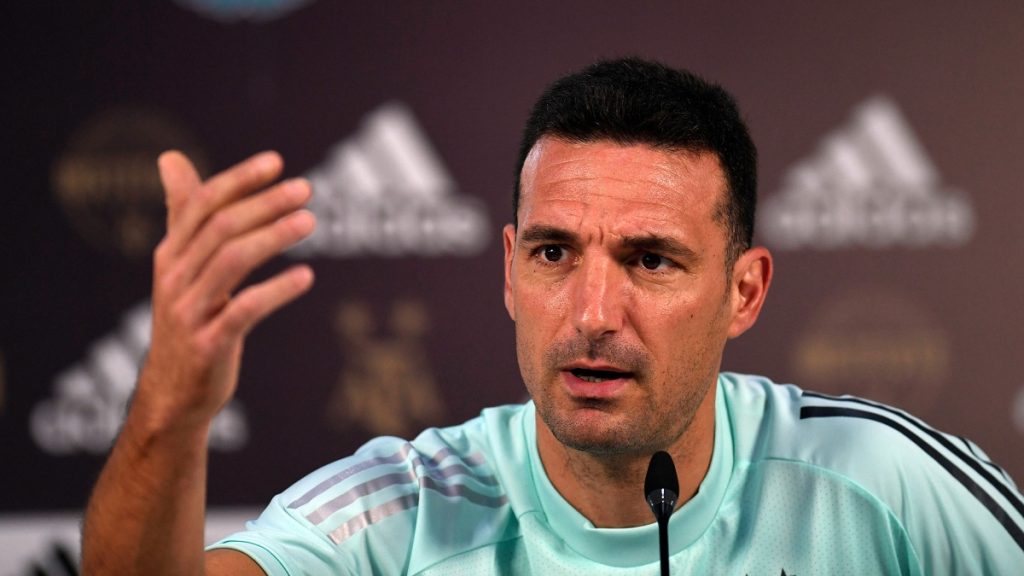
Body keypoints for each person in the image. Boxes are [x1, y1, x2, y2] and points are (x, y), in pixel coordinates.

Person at [81, 58, 1024, 574]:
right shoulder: (404, 510)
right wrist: (171, 409)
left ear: (744, 292)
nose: (593, 313)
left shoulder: (880, 480)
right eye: (554, 254)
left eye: (650, 261)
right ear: (508, 269)